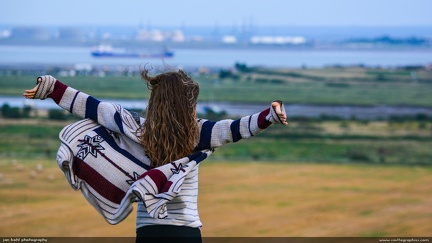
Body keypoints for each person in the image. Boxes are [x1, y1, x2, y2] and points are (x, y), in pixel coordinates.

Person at [23, 69, 288, 242]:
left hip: (148, 232)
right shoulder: (198, 134)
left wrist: (51, 87)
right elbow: (237, 128)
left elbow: (92, 107)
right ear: (188, 103)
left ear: (156, 100)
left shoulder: (136, 129)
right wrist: (271, 115)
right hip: (185, 232)